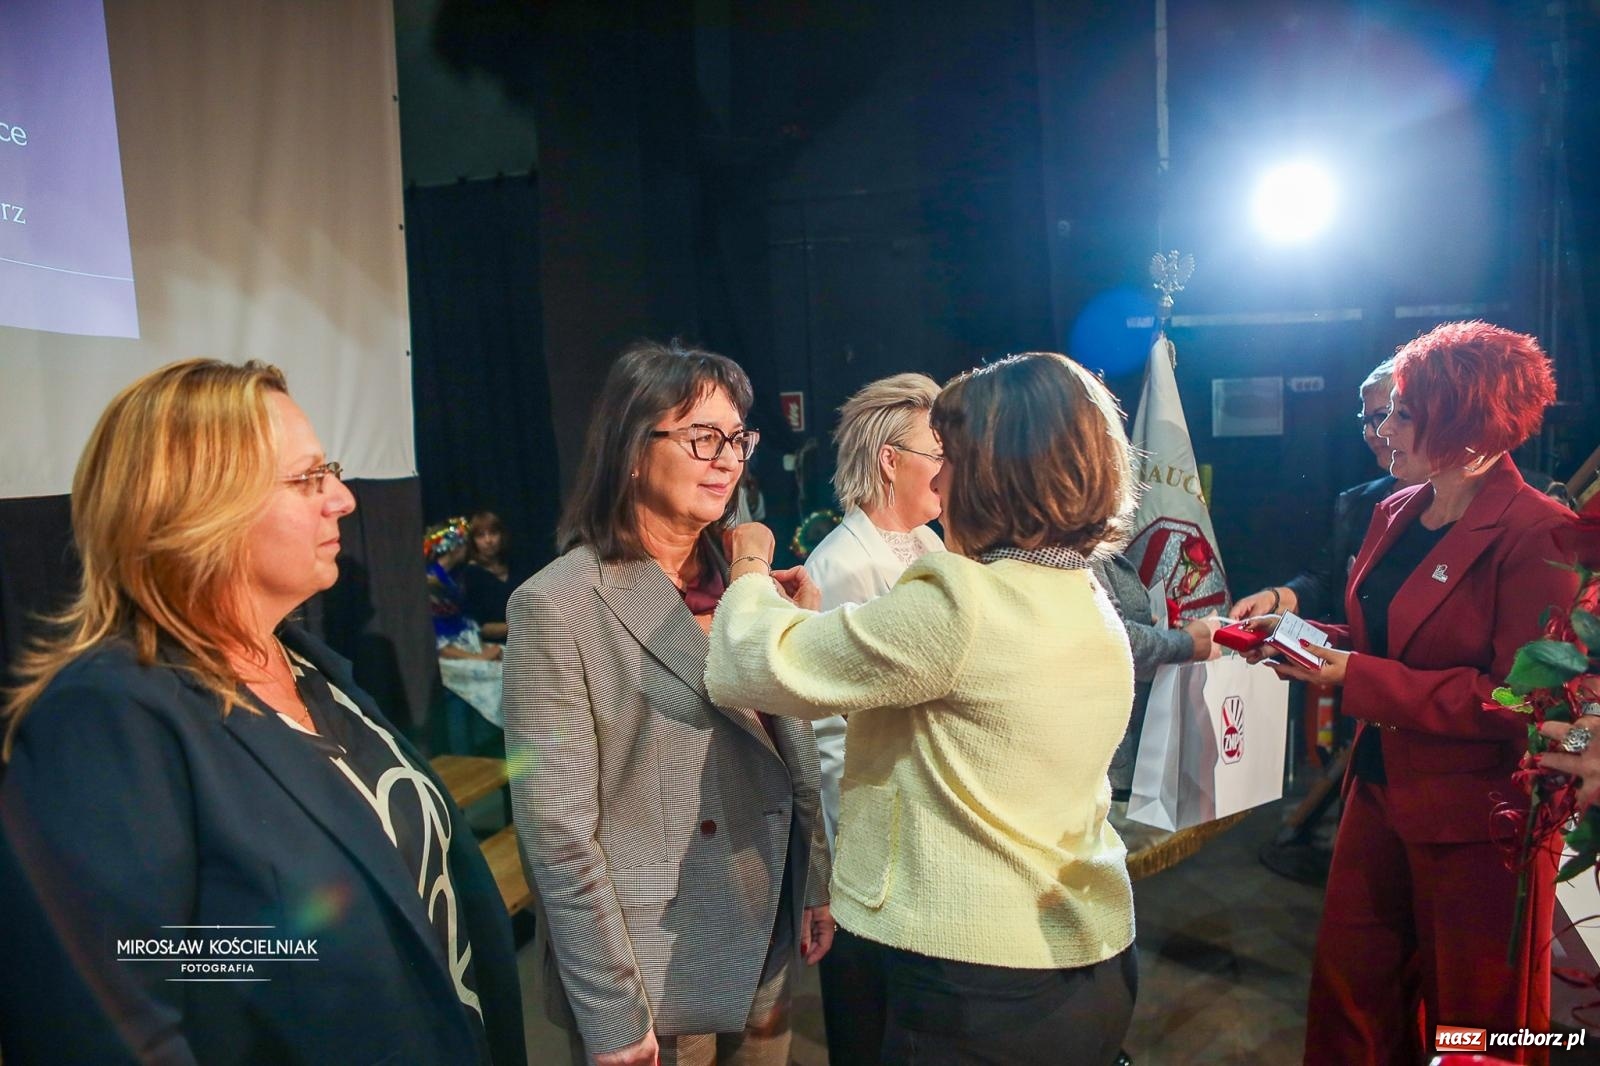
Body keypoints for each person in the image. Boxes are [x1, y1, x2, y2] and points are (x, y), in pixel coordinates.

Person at [0, 359, 525, 1065]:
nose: (340, 499)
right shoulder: (110, 715)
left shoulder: (310, 669)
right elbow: (113, 1003)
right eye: (309, 478)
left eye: (330, 472)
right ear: (198, 507)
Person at [708, 351, 1140, 1065]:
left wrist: (749, 563)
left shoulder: (963, 600)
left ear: (1000, 468)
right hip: (1086, 958)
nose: (940, 477)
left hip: (978, 989)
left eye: (954, 457)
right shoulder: (1084, 595)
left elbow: (748, 663)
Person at [1241, 322, 1575, 1065]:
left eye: (1401, 412)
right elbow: (1390, 637)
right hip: (1381, 790)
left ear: (1465, 421)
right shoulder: (1395, 510)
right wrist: (1306, 635)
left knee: (1480, 1021)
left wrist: (1352, 676)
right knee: (1353, 998)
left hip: (1484, 822)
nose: (1382, 428)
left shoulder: (1542, 533)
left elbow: (1519, 703)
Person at [502, 340, 831, 1066]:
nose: (726, 458)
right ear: (629, 450)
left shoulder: (747, 584)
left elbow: (790, 745)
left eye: (737, 438)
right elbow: (555, 831)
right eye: (700, 436)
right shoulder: (557, 604)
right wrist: (613, 1012)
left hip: (764, 919)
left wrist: (815, 878)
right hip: (653, 963)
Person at [800, 372, 945, 1063]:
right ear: (892, 460)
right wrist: (839, 854)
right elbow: (826, 729)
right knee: (871, 1021)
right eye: (937, 452)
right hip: (872, 842)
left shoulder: (934, 547)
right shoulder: (841, 564)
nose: (949, 468)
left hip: (925, 824)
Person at [1231, 357, 1417, 623]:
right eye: (1365, 420)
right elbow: (1322, 582)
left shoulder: (1457, 504)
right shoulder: (1356, 503)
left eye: (1382, 416)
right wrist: (1274, 598)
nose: (1371, 433)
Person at [427, 516, 504, 733]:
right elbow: (438, 642)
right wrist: (479, 656)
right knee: (498, 671)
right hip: (447, 655)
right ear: (455, 546)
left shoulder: (454, 577)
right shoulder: (431, 582)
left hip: (464, 644)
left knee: (513, 660)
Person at [460, 510, 518, 644]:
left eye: (493, 533)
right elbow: (479, 626)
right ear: (473, 541)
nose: (488, 540)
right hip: (493, 648)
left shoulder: (515, 564)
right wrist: (520, 626)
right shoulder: (471, 574)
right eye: (481, 536)